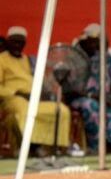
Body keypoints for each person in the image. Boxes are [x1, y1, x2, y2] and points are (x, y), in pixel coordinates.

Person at [0, 26, 72, 155]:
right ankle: (29, 147)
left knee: (61, 110)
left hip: (34, 97)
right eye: (14, 42)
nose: (17, 46)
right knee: (27, 111)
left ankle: (55, 148)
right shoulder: (1, 59)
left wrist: (41, 93)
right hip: (13, 99)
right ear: (8, 42)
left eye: (20, 43)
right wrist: (16, 92)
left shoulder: (29, 60)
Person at [67, 23, 111, 154]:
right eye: (94, 42)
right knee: (91, 106)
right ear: (84, 42)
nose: (97, 45)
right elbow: (71, 87)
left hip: (106, 96)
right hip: (84, 97)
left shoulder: (110, 60)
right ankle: (99, 144)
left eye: (100, 42)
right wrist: (96, 97)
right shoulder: (73, 59)